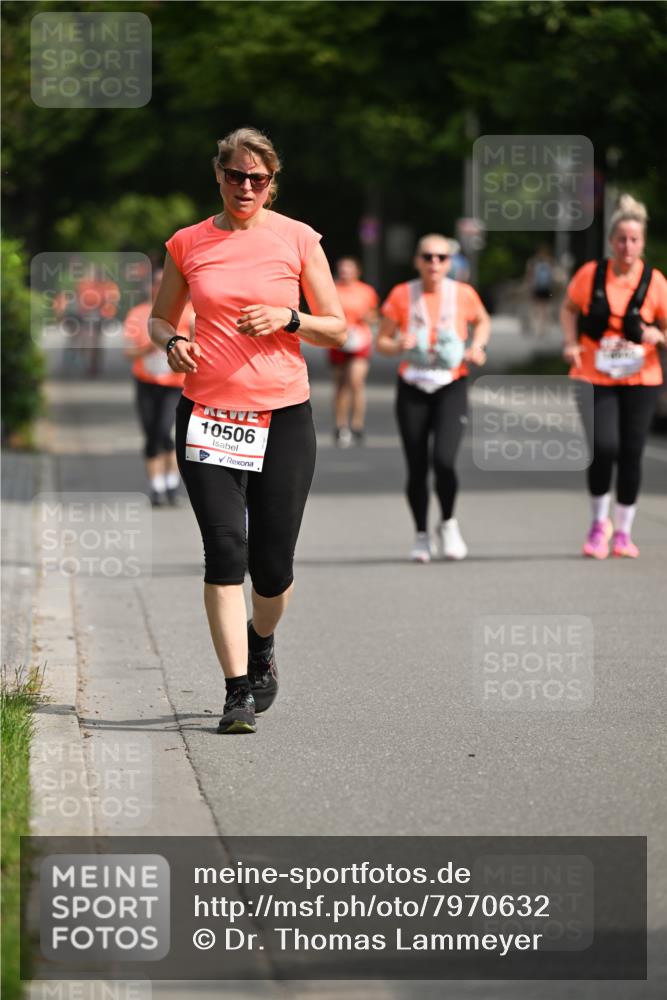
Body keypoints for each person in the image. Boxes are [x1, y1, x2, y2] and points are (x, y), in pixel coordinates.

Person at [149, 127, 345, 734]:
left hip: (282, 416)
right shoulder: (188, 243)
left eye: (257, 178)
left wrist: (288, 317)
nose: (245, 186)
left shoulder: (298, 238)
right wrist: (173, 342)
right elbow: (159, 319)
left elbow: (337, 327)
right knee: (225, 550)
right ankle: (237, 692)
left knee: (273, 565)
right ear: (219, 174)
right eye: (235, 175)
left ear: (271, 182)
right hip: (208, 415)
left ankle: (262, 641)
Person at [561, 194, 667, 559]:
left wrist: (657, 336)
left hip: (641, 378)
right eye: (621, 239)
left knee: (631, 453)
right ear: (611, 241)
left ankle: (623, 531)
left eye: (634, 240)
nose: (627, 246)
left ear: (642, 243)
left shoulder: (655, 281)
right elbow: (569, 308)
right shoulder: (591, 274)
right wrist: (571, 342)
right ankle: (598, 525)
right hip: (594, 375)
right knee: (604, 447)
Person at [376, 234, 490, 562]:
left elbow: (482, 321)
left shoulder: (463, 293)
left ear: (450, 262)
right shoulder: (402, 294)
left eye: (441, 257)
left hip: (450, 385)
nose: (434, 263)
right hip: (413, 386)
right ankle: (421, 535)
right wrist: (397, 345)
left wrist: (477, 347)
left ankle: (448, 523)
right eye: (427, 257)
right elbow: (382, 341)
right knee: (417, 466)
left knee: (444, 461)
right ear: (417, 261)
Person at [124, 268, 194, 506]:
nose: (161, 287)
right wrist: (149, 348)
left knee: (165, 431)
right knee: (151, 435)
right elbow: (127, 352)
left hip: (175, 384)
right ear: (151, 287)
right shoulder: (138, 314)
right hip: (146, 382)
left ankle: (171, 485)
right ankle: (156, 488)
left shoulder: (189, 312)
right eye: (156, 283)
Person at [328, 256, 378, 446]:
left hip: (360, 340)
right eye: (342, 269)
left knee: (356, 382)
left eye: (349, 269)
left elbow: (374, 316)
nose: (345, 273)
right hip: (338, 340)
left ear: (357, 272)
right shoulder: (332, 289)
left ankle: (357, 425)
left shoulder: (366, 291)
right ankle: (340, 426)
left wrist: (367, 318)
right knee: (341, 385)